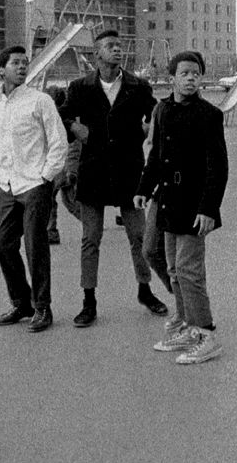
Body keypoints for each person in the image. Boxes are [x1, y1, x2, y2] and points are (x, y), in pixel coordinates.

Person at [54, 29, 170, 327]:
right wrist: (75, 129)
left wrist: (149, 131)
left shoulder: (137, 86)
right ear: (97, 54)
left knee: (139, 237)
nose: (117, 50)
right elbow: (62, 115)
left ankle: (145, 291)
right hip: (93, 171)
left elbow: (157, 113)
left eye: (119, 46)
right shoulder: (80, 87)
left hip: (130, 170)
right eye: (110, 46)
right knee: (90, 238)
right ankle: (88, 301)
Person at [138, 50, 229, 365]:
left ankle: (205, 334)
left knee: (189, 272)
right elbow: (155, 155)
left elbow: (218, 167)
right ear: (172, 77)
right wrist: (143, 189)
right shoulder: (162, 110)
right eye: (185, 73)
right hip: (167, 201)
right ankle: (188, 323)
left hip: (193, 204)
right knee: (170, 266)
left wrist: (208, 208)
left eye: (196, 73)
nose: (191, 78)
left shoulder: (208, 114)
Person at [0, 44, 70, 333]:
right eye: (15, 63)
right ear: (1, 69)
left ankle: (42, 307)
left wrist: (47, 176)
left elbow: (58, 140)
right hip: (7, 184)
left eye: (25, 63)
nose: (22, 67)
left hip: (35, 183)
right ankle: (21, 302)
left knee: (35, 245)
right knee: (2, 242)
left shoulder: (40, 101)